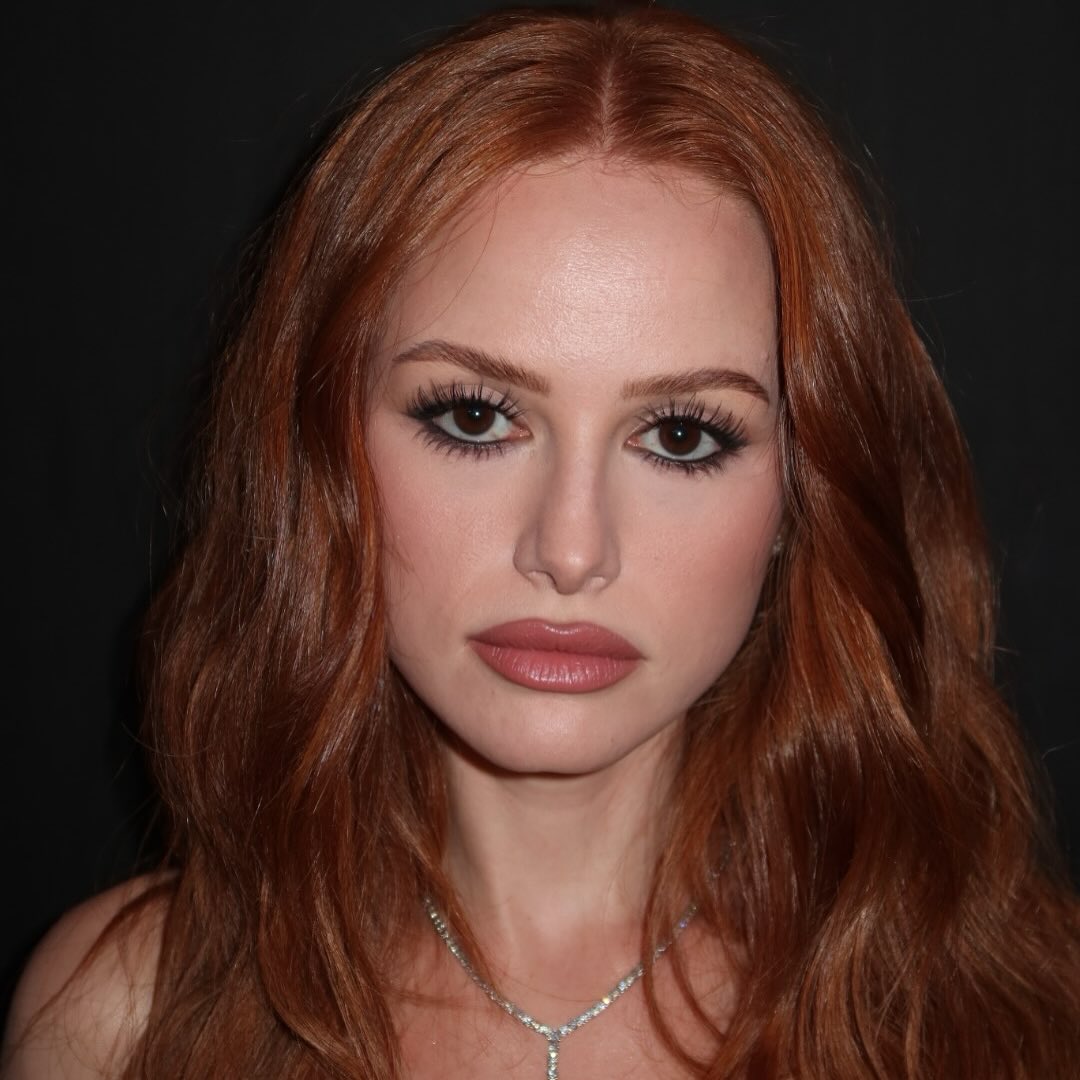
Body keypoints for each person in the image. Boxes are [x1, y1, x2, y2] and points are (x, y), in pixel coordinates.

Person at [4, 5, 1079, 1078]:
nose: (570, 551)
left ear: (811, 490)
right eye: (475, 417)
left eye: (680, 435)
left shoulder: (1025, 1017)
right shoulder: (126, 1019)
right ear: (322, 453)